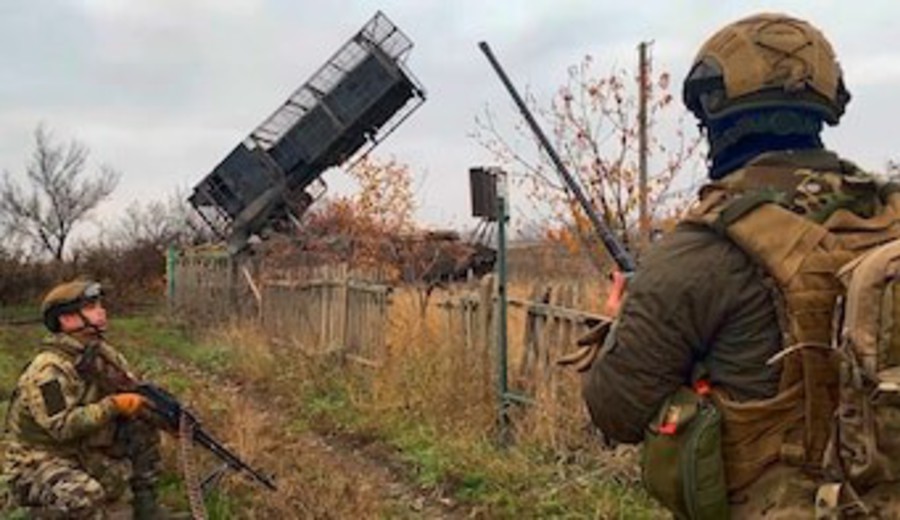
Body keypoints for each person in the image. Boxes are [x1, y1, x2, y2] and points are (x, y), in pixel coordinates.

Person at [578, 12, 900, 518]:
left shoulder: (704, 249)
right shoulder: (888, 217)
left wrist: (619, 322)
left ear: (714, 115)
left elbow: (615, 409)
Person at [1, 279, 164, 519]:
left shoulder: (103, 354)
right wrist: (114, 405)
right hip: (37, 461)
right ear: (66, 319)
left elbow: (131, 388)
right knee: (84, 497)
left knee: (142, 426)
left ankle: (146, 509)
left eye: (99, 305)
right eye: (90, 307)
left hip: (80, 450)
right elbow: (62, 426)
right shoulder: (48, 370)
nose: (101, 311)